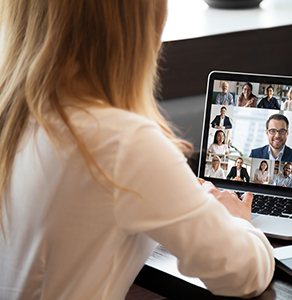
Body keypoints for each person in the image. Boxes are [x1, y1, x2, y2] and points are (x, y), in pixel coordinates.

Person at [0, 1, 275, 299]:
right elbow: (242, 273)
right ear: (140, 26)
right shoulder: (121, 142)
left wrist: (180, 202)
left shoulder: (17, 117)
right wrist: (234, 221)